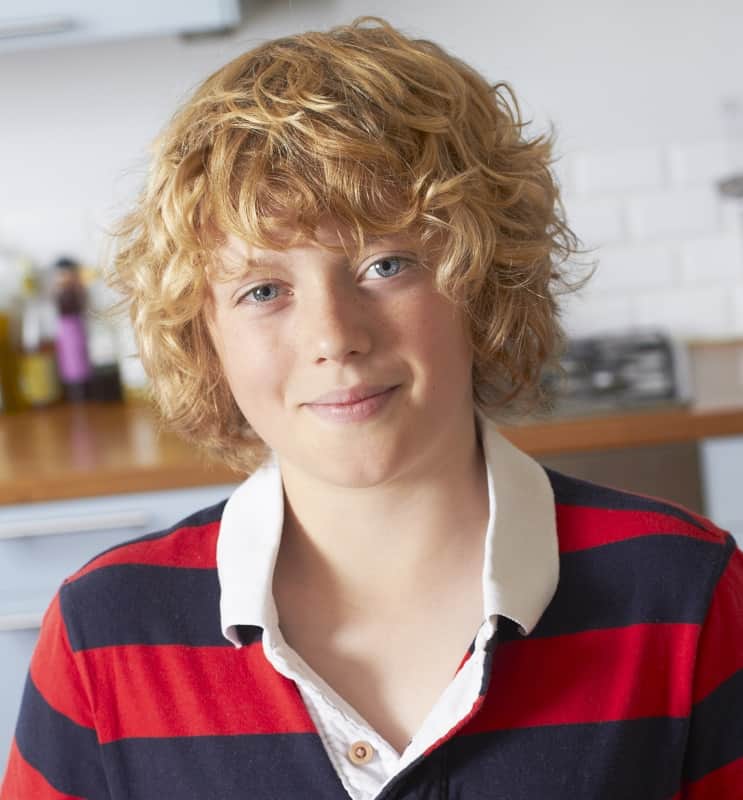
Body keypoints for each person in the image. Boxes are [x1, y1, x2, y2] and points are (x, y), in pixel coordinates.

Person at [2, 17, 742, 800]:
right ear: (203, 334)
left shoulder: (684, 592)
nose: (334, 338)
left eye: (386, 264)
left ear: (483, 279)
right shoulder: (104, 634)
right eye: (263, 290)